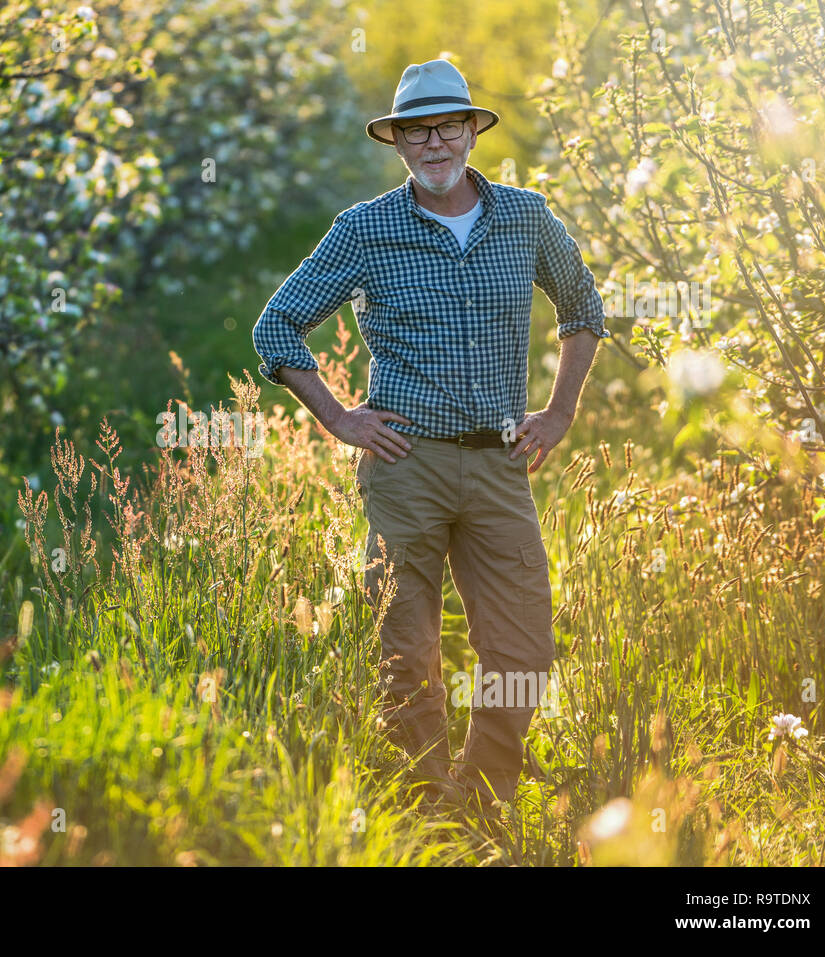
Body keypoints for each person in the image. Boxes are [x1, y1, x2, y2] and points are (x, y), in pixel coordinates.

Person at [252, 60, 608, 815]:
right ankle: (425, 802)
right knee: (406, 650)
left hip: (501, 463)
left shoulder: (525, 216)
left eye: (449, 125)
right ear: (399, 142)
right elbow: (275, 324)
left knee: (522, 650)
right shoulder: (366, 229)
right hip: (406, 464)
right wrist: (340, 417)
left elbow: (583, 308)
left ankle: (483, 796)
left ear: (474, 131)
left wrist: (560, 412)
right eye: (417, 130)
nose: (435, 142)